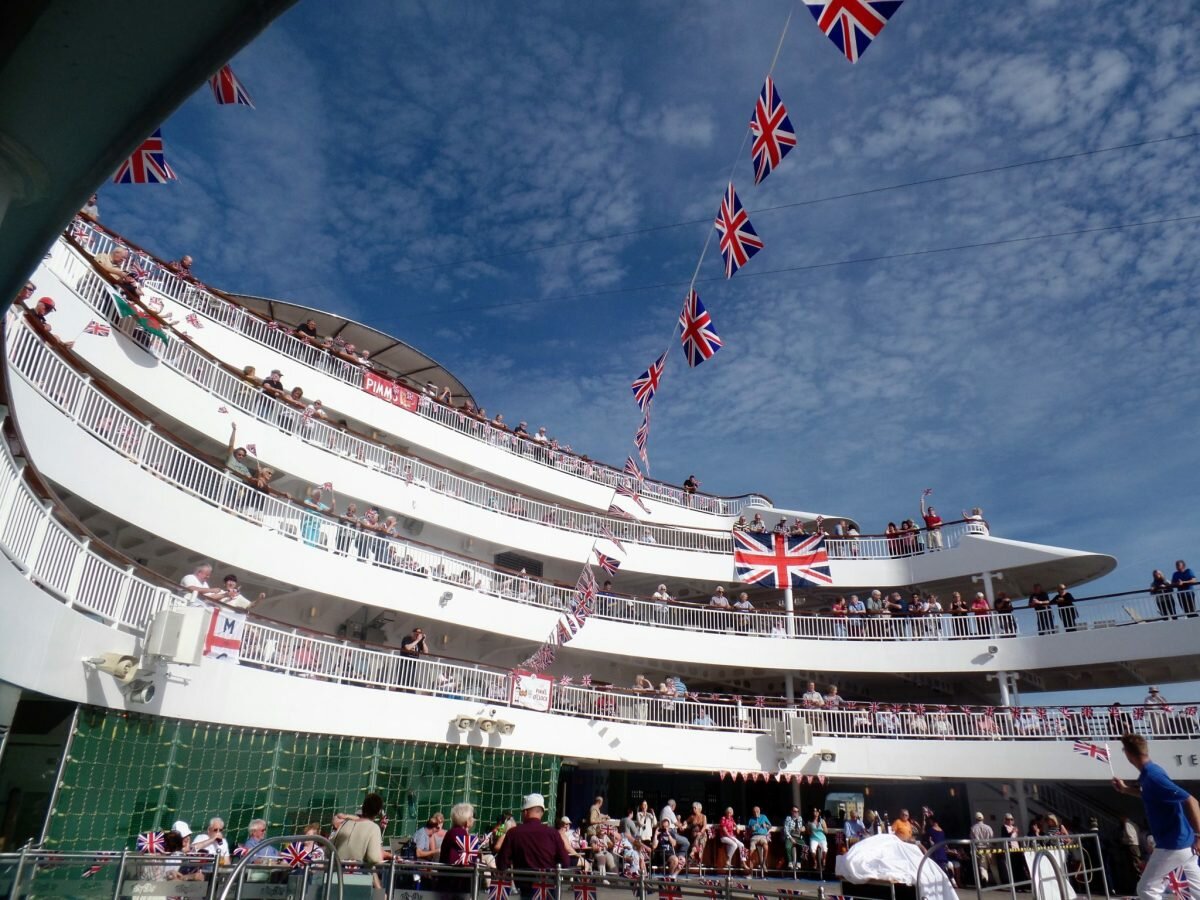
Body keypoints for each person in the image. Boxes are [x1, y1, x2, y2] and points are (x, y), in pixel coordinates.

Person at [1112, 733, 1200, 900]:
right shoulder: (1150, 773)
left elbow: (1191, 800)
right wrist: (1125, 789)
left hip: (1173, 844)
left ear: (1128, 754)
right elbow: (1150, 794)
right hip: (1184, 844)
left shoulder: (1153, 776)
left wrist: (1199, 836)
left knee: (1146, 889)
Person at [495, 793, 574, 892]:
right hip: (548, 887)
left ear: (525, 812)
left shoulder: (513, 833)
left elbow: (501, 862)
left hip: (524, 886)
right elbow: (566, 862)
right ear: (541, 813)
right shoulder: (553, 833)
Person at [332, 792, 387, 872]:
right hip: (358, 876)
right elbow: (373, 858)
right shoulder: (373, 828)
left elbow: (329, 849)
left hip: (336, 873)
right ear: (378, 812)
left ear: (363, 807)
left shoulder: (344, 824)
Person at [717, 807, 749, 872]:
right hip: (724, 837)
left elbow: (734, 823)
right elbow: (724, 830)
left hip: (731, 836)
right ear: (726, 813)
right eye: (728, 812)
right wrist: (731, 838)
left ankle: (743, 862)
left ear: (732, 813)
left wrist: (737, 827)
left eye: (730, 813)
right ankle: (728, 860)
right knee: (734, 845)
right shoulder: (723, 818)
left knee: (742, 845)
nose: (729, 814)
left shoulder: (731, 819)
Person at [807, 808, 828, 875]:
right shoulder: (810, 822)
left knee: (825, 849)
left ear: (819, 813)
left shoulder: (822, 821)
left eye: (817, 811)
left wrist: (822, 828)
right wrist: (812, 834)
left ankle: (824, 860)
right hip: (814, 838)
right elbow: (808, 831)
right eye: (814, 811)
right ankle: (815, 862)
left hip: (822, 838)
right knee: (812, 849)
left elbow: (826, 831)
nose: (815, 813)